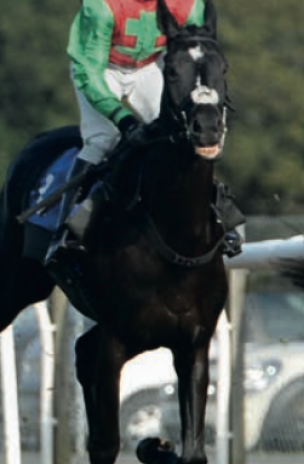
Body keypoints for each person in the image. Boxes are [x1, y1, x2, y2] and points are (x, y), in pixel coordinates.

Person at [46, 0, 242, 272]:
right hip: (100, 69)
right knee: (103, 139)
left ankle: (218, 211)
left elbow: (197, 52)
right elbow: (89, 72)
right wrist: (123, 119)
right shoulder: (101, 6)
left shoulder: (189, 5)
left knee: (183, 133)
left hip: (150, 66)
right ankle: (67, 228)